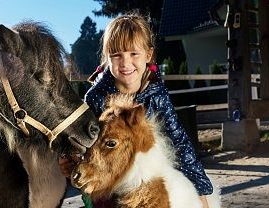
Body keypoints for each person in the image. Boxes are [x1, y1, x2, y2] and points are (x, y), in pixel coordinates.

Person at [59, 12, 213, 208]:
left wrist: (200, 191)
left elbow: (180, 142)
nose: (125, 63)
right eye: (116, 55)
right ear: (107, 58)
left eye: (134, 54)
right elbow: (82, 137)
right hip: (110, 176)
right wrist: (70, 157)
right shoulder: (96, 97)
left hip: (144, 175)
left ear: (148, 55)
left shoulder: (156, 95)